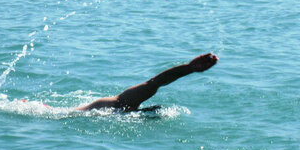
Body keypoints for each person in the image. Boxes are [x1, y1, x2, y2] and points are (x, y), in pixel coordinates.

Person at [75, 53, 218, 112]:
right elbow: (155, 83)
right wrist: (189, 69)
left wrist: (189, 68)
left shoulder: (120, 104)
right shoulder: (120, 104)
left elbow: (155, 83)